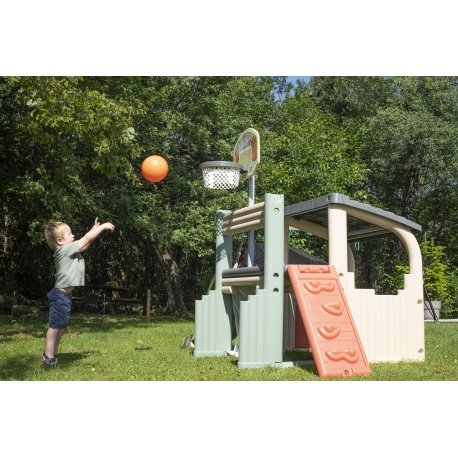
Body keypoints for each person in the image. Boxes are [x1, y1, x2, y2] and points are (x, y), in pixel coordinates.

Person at [42, 217, 115, 367]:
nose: (73, 235)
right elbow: (85, 240)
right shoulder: (63, 250)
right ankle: (47, 355)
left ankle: (53, 355)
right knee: (55, 326)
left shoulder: (68, 250)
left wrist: (94, 230)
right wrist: (103, 227)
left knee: (61, 326)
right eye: (69, 234)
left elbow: (84, 245)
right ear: (59, 241)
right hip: (60, 295)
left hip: (65, 295)